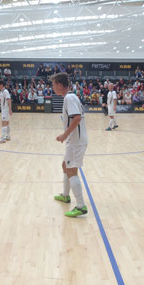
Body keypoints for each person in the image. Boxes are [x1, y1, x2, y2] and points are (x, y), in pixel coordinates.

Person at [51, 72, 88, 218]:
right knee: (65, 166)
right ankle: (66, 195)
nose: (52, 87)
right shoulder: (68, 98)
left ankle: (81, 206)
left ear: (60, 85)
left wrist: (64, 135)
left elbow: (77, 118)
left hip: (76, 141)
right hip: (73, 141)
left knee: (72, 171)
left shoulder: (69, 97)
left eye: (53, 85)